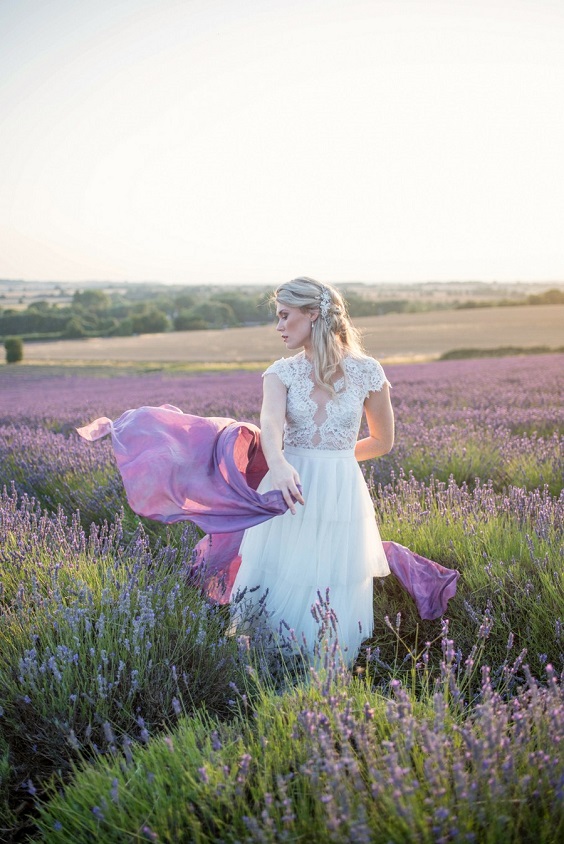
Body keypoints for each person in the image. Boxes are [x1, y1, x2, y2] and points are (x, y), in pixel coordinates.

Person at [231, 277, 395, 663]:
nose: (279, 326)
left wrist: (333, 460)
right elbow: (270, 426)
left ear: (314, 314)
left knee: (331, 576)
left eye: (285, 315)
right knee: (280, 570)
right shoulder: (280, 373)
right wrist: (282, 464)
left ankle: (322, 672)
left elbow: (382, 441)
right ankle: (266, 668)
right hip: (288, 484)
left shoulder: (368, 372)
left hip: (341, 489)